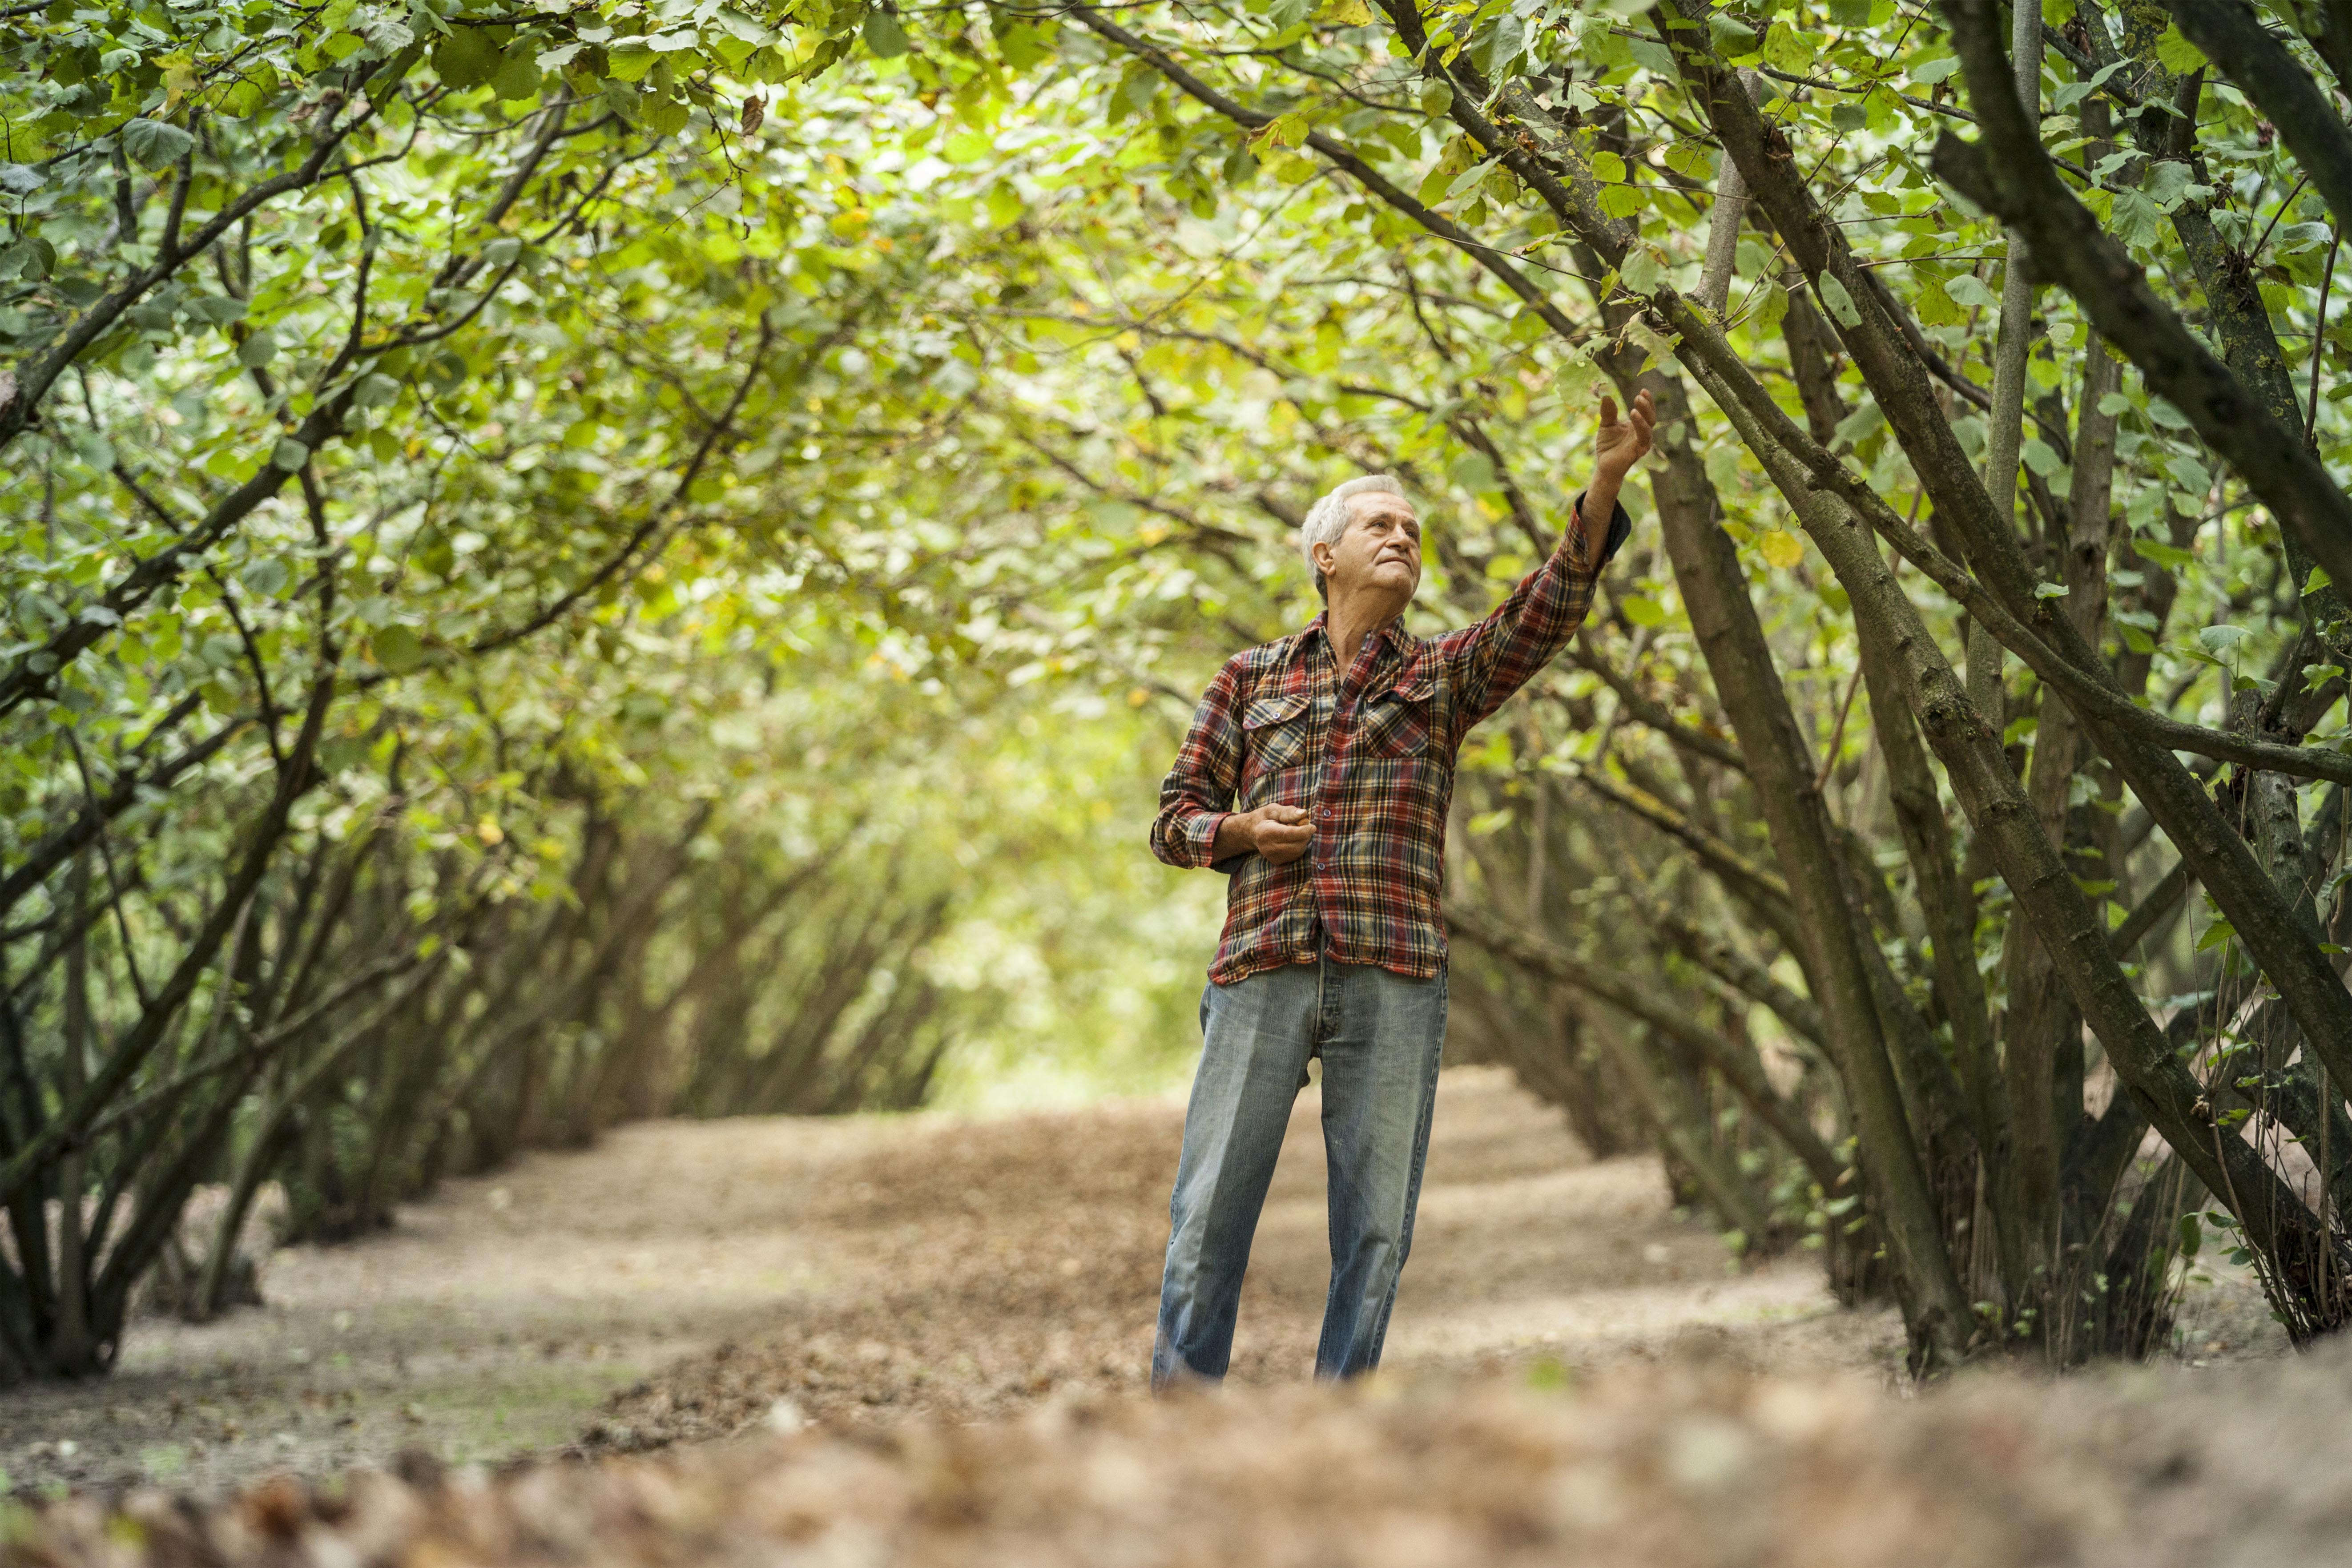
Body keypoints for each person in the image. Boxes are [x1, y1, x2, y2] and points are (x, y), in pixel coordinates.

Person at [1145, 390, 1655, 1387]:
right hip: (1261, 968)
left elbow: (1544, 607)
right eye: (1381, 523)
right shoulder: (1248, 680)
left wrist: (1606, 479)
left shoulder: (1442, 676)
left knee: (1376, 1230)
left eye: (1413, 530)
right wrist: (1242, 829)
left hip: (1395, 976)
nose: (1403, 537)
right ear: (1323, 556)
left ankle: (1342, 1422)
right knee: (1207, 1214)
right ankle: (1177, 1417)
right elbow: (1172, 819)